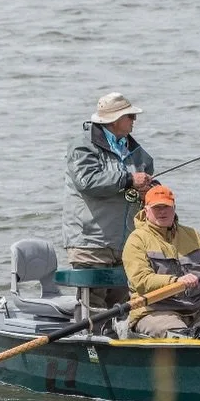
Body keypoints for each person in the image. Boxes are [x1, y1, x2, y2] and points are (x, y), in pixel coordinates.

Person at [63, 92, 154, 308]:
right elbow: (87, 181)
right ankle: (90, 342)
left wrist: (149, 190)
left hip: (126, 243)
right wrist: (130, 179)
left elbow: (147, 174)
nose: (134, 120)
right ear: (114, 120)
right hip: (91, 242)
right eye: (130, 116)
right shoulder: (82, 146)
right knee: (93, 309)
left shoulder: (134, 149)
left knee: (124, 307)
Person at [122, 185, 200, 336]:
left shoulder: (193, 235)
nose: (162, 211)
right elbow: (141, 280)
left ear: (174, 208)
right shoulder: (137, 240)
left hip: (197, 311)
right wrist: (175, 282)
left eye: (166, 207)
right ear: (146, 210)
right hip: (154, 312)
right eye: (157, 207)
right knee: (182, 335)